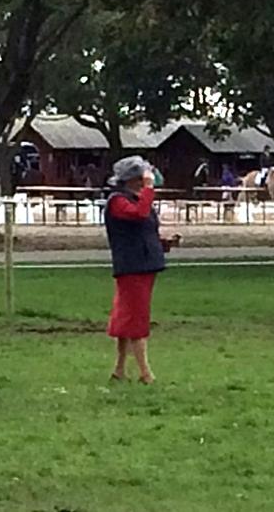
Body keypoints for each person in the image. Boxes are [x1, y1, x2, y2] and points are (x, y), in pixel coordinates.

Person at [104, 156, 181, 384]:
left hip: (144, 264)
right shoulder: (118, 201)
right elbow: (137, 214)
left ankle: (119, 370)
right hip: (132, 266)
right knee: (136, 319)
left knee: (127, 317)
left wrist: (163, 243)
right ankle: (145, 372)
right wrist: (149, 190)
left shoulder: (138, 200)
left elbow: (142, 228)